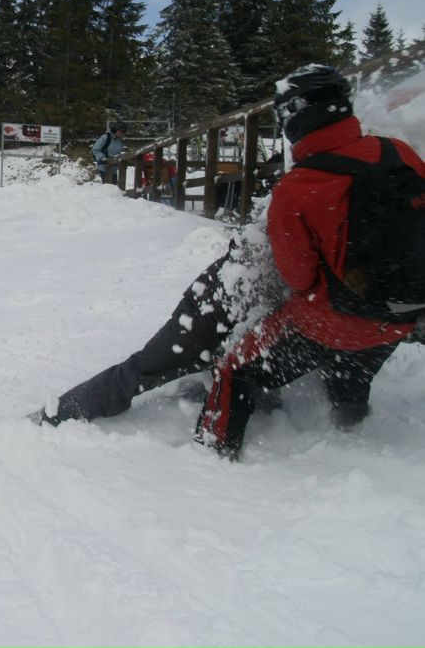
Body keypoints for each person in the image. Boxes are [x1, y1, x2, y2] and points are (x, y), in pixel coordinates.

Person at [196, 65, 425, 459]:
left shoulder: (298, 187)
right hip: (403, 316)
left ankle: (212, 455)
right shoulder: (399, 153)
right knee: (353, 369)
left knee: (233, 370)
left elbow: (298, 277)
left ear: (295, 118)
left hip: (330, 324)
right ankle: (350, 417)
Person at [30, 220, 286, 425]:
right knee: (144, 369)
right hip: (208, 310)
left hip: (236, 310)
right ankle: (56, 414)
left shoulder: (307, 192)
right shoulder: (300, 195)